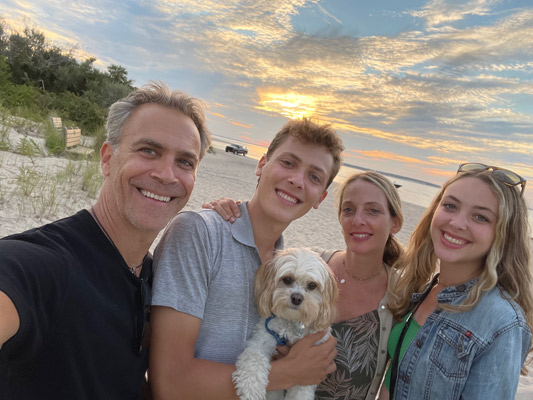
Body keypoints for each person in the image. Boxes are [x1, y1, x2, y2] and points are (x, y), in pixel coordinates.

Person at [0, 82, 212, 399]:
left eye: (185, 161)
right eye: (149, 150)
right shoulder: (43, 266)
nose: (167, 175)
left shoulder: (156, 279)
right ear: (107, 158)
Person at [149, 118, 345, 399]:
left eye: (314, 176)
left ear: (321, 197)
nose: (297, 180)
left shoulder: (286, 266)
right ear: (261, 165)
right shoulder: (200, 233)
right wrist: (291, 371)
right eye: (288, 163)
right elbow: (170, 384)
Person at [207, 170, 404, 400]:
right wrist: (226, 210)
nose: (358, 220)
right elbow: (258, 253)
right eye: (348, 209)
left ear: (395, 223)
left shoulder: (403, 291)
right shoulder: (310, 262)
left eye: (373, 210)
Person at [379, 163, 532, 399]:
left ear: (503, 233)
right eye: (450, 206)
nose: (457, 223)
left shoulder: (501, 322)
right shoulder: (425, 289)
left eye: (481, 217)